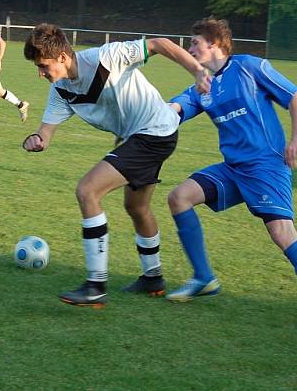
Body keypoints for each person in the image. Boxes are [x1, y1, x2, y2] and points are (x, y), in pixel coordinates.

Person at [165, 17, 297, 336]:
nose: (189, 48)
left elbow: (294, 96)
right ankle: (204, 278)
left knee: (282, 234)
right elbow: (177, 108)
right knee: (179, 197)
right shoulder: (202, 83)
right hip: (233, 168)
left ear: (216, 45)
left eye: (195, 43)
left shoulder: (250, 67)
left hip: (265, 166)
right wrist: (151, 111)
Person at [22, 23, 210, 307]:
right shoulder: (61, 91)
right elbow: (45, 133)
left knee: (88, 191)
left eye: (43, 66)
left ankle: (95, 284)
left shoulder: (106, 57)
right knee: (136, 207)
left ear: (62, 57)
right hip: (145, 136)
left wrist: (197, 70)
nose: (41, 73)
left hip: (155, 132)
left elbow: (158, 43)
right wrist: (35, 139)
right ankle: (153, 277)